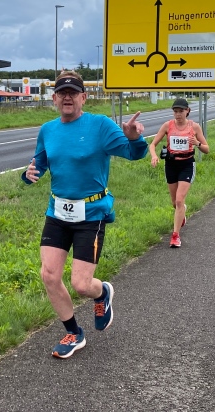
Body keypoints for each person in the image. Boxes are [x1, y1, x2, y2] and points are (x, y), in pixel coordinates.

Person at [21, 70, 147, 359]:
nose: (67, 97)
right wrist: (28, 175)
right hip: (57, 212)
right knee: (49, 275)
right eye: (62, 93)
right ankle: (74, 332)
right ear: (54, 99)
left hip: (91, 214)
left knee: (81, 285)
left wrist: (134, 139)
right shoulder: (48, 130)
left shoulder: (99, 125)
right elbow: (39, 163)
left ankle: (101, 293)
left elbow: (133, 153)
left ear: (84, 98)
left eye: (73, 93)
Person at [148, 98, 209, 247]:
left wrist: (197, 143)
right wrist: (154, 156)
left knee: (180, 200)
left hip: (187, 165)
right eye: (175, 111)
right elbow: (153, 144)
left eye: (181, 111)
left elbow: (206, 149)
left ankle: (175, 236)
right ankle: (182, 212)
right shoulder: (167, 126)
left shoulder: (194, 127)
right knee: (175, 203)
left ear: (187, 111)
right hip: (171, 165)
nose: (178, 114)